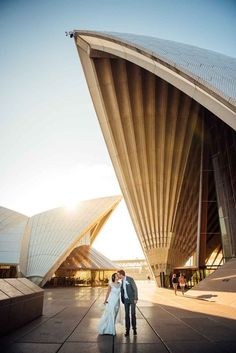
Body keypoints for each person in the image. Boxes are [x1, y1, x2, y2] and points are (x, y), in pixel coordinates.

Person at [117, 269, 138, 337]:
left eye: (118, 274)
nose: (117, 275)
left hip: (132, 300)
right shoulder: (121, 281)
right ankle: (127, 330)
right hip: (125, 300)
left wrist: (135, 298)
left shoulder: (130, 279)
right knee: (126, 315)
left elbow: (135, 288)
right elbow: (122, 291)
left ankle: (134, 329)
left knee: (133, 314)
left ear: (121, 274)